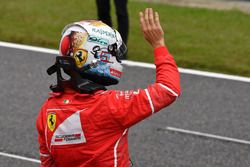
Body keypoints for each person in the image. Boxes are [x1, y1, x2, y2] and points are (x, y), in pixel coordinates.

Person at [36, 8, 181, 167]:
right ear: (97, 54)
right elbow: (169, 89)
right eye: (115, 53)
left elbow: (47, 163)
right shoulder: (110, 106)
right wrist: (159, 45)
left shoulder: (47, 110)